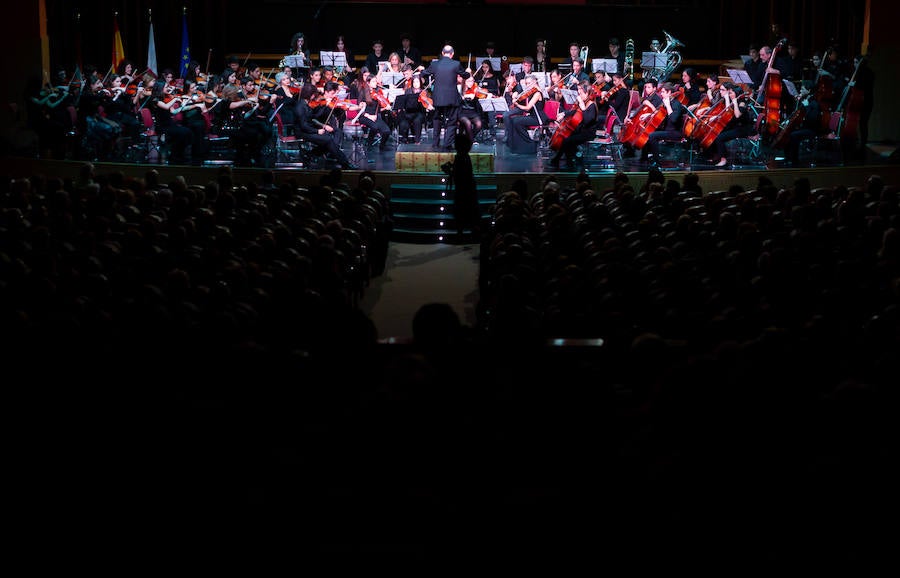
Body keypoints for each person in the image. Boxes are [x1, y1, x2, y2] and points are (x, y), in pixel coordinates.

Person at [293, 82, 357, 169]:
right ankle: (345, 163)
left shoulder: (307, 104)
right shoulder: (300, 107)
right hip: (302, 131)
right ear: (310, 95)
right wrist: (317, 131)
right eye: (314, 95)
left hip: (309, 128)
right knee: (328, 139)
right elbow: (303, 126)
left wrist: (322, 124)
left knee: (336, 132)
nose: (315, 96)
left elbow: (313, 117)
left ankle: (312, 154)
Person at [418, 45, 466, 151]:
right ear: (452, 54)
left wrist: (422, 70)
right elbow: (465, 75)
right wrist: (467, 71)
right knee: (452, 121)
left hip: (438, 98)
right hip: (452, 98)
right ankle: (447, 144)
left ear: (443, 53)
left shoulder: (435, 64)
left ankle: (435, 143)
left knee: (436, 120)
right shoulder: (456, 64)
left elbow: (424, 74)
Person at [549, 80, 599, 170]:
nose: (578, 92)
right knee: (566, 137)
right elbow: (575, 111)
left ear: (586, 91)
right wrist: (564, 114)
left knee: (568, 140)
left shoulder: (591, 105)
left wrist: (582, 106)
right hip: (581, 130)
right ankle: (569, 159)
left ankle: (562, 160)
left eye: (580, 89)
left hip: (588, 133)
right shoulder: (585, 102)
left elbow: (587, 120)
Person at [708, 83, 755, 167]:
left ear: (736, 94)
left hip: (743, 129)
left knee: (720, 138)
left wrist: (735, 102)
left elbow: (737, 115)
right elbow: (728, 113)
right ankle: (716, 155)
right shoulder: (733, 101)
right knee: (716, 132)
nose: (729, 95)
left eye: (731, 93)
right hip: (735, 126)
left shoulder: (742, 103)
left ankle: (723, 160)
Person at [639, 82, 686, 164]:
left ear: (669, 92)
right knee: (647, 131)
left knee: (652, 135)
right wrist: (648, 114)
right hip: (667, 129)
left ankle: (657, 161)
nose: (661, 94)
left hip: (675, 132)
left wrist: (668, 105)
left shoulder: (676, 104)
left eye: (663, 92)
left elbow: (673, 119)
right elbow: (659, 113)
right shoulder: (666, 103)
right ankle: (644, 158)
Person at [451, 132, 480, 242]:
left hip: (463, 189)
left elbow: (459, 174)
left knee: (463, 212)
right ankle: (469, 233)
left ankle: (462, 233)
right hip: (467, 189)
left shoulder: (461, 157)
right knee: (470, 212)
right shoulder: (463, 157)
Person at [506, 74, 544, 155]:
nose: (527, 85)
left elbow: (527, 108)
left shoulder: (537, 93)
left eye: (529, 83)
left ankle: (529, 144)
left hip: (538, 118)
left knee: (516, 121)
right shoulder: (531, 92)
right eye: (526, 83)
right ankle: (516, 146)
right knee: (513, 120)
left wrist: (517, 104)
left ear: (534, 82)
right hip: (532, 116)